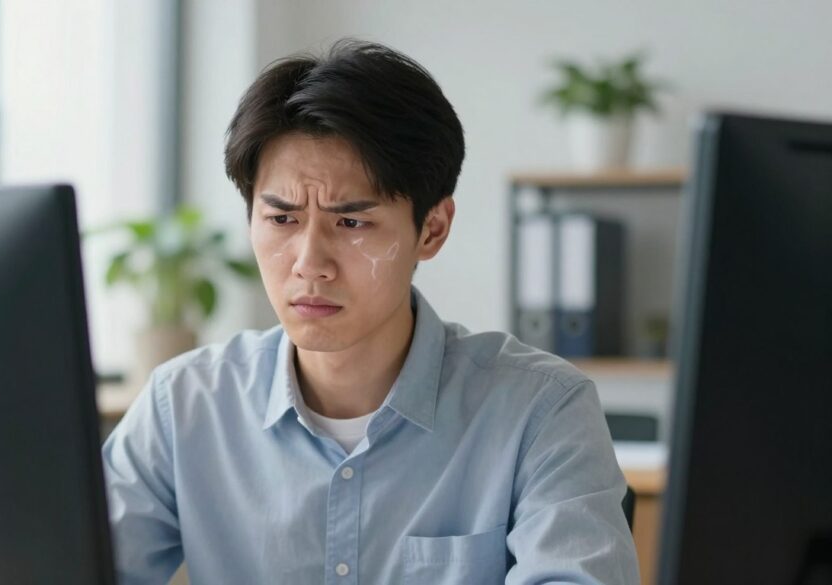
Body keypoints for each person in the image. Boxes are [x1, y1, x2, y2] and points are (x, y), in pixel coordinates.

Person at [102, 39, 639, 584]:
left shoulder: (540, 411)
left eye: (351, 223)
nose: (310, 264)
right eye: (282, 220)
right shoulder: (186, 406)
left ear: (432, 229)